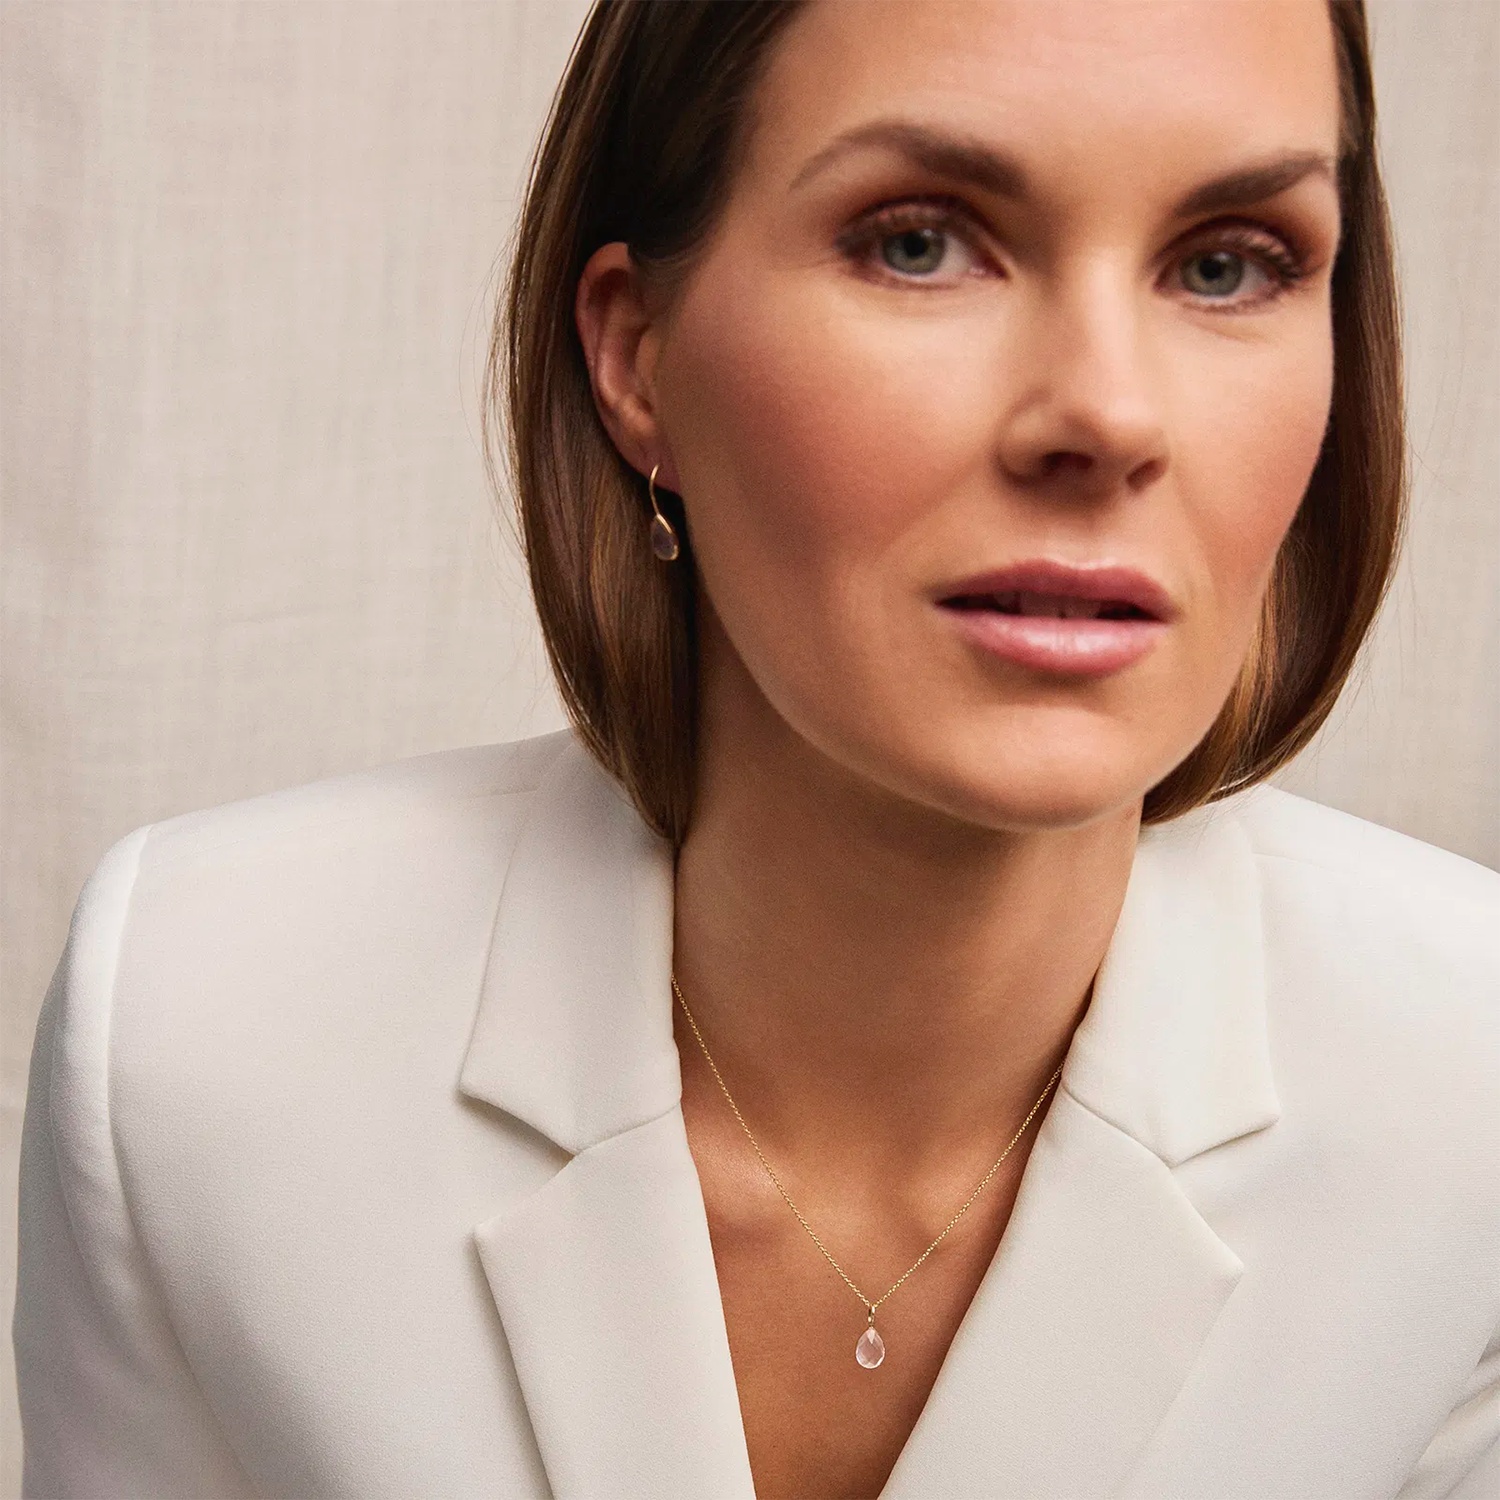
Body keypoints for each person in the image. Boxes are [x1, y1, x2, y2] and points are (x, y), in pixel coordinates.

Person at [14, 0, 1498, 1495]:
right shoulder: (199, 1029)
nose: (1107, 417)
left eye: (1229, 263)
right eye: (920, 243)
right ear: (636, 357)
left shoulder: (1469, 1103)